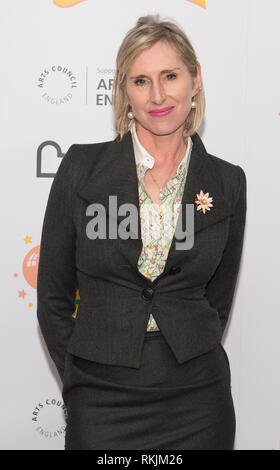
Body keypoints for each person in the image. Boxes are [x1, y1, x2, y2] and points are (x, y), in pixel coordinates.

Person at [37, 14, 247, 450]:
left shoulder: (227, 182)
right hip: (101, 396)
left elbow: (218, 300)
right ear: (124, 91)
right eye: (140, 81)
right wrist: (81, 377)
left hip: (198, 396)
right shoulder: (81, 169)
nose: (157, 96)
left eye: (170, 76)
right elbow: (53, 299)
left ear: (196, 78)